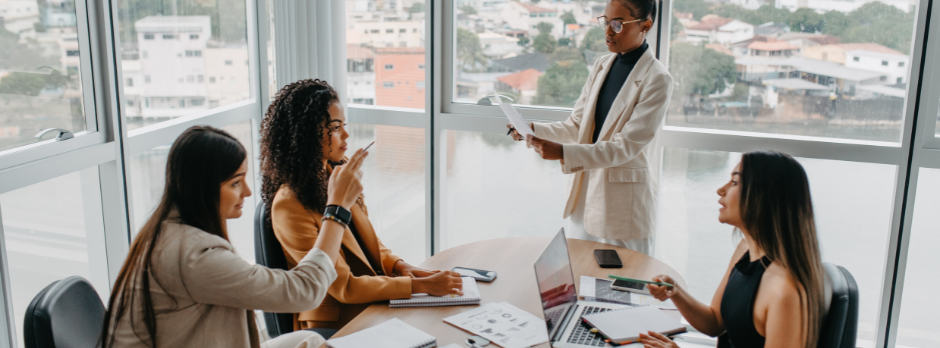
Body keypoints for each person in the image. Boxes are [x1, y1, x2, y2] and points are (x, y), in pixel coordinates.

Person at [100, 126, 370, 348]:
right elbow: (305, 291)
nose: (248, 192)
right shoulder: (193, 256)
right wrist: (336, 211)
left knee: (310, 340)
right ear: (203, 189)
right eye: (236, 182)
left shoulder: (168, 228)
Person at [260, 79, 463, 330]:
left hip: (368, 302)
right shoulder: (289, 205)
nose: (345, 134)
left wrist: (401, 266)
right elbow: (344, 288)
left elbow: (368, 243)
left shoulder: (336, 172)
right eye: (334, 128)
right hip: (333, 324)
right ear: (304, 135)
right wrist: (418, 286)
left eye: (343, 125)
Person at [508, 0, 673, 254]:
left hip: (623, 208)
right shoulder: (602, 65)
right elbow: (576, 126)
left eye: (618, 24)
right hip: (584, 197)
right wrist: (531, 129)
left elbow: (624, 147)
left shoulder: (658, 79)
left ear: (646, 25)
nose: (608, 31)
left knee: (622, 287)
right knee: (578, 278)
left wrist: (563, 152)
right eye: (606, 22)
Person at [640, 151, 826, 348]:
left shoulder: (784, 290)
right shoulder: (746, 249)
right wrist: (674, 291)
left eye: (735, 183)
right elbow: (715, 323)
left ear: (764, 196)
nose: (720, 190)